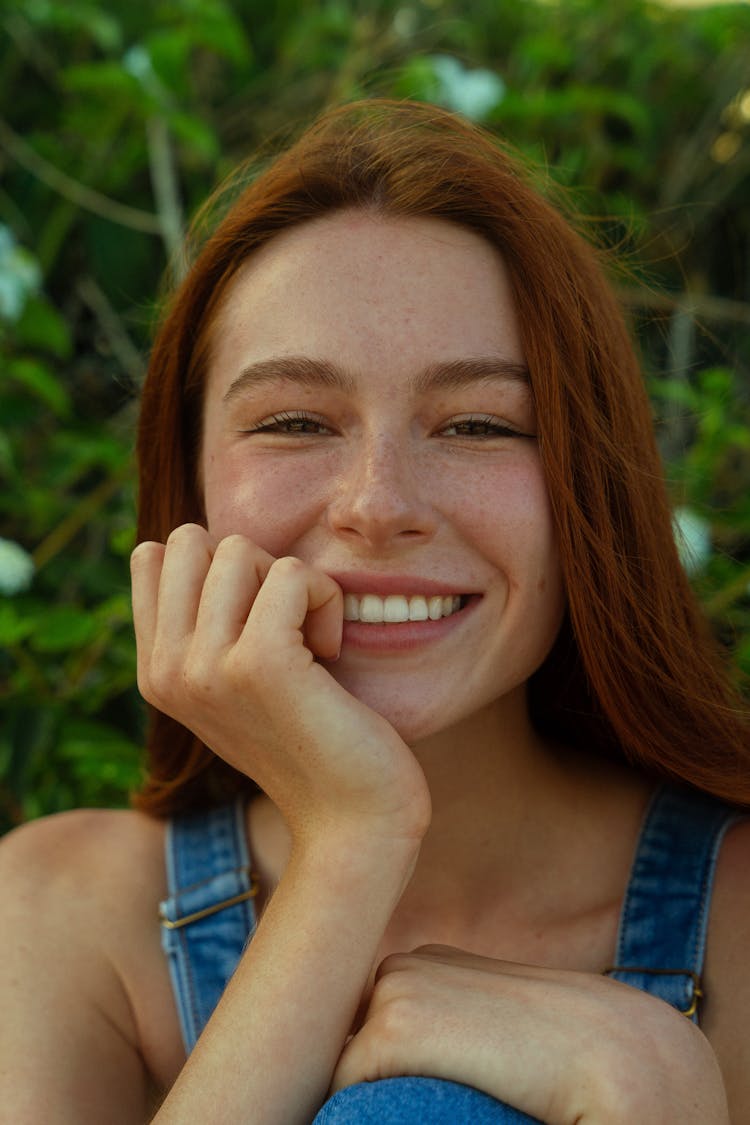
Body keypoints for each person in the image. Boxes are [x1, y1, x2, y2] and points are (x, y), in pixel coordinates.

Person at [1, 98, 749, 1124]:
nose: (378, 505)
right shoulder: (60, 915)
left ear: (591, 480)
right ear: (192, 486)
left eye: (480, 423)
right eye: (297, 421)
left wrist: (649, 1089)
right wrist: (351, 846)